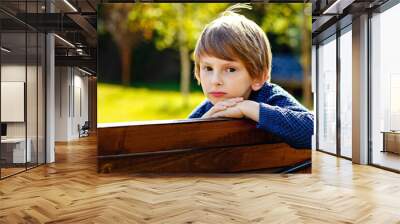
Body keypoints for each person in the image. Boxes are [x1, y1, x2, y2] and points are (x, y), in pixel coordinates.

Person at [188, 4, 314, 149]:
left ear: (258, 76)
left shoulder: (270, 97)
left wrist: (247, 108)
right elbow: (178, 147)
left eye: (230, 69)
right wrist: (201, 128)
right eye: (208, 68)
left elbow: (315, 130)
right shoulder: (207, 110)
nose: (215, 80)